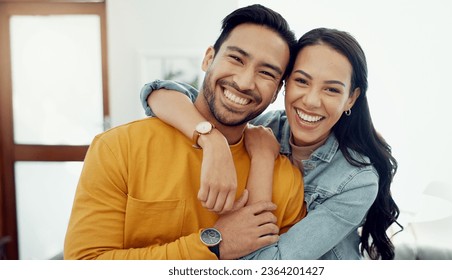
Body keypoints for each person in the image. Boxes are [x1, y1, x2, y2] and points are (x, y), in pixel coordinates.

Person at [64, 4, 306, 260]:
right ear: (208, 58)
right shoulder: (119, 148)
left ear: (277, 91)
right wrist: (213, 245)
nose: (245, 82)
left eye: (266, 73)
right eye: (236, 58)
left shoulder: (284, 179)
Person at [140, 28, 401, 259]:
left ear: (351, 99)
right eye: (302, 81)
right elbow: (161, 92)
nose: (311, 101)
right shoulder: (268, 125)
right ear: (283, 85)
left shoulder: (357, 180)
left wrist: (263, 159)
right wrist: (211, 139)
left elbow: (268, 265)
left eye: (331, 89)